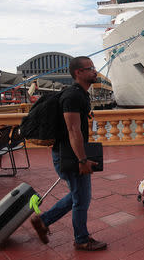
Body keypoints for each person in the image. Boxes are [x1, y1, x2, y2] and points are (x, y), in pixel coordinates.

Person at [30, 56, 107, 251]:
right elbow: (74, 130)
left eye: (94, 67)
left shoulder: (81, 94)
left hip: (69, 153)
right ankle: (81, 239)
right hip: (70, 155)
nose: (94, 71)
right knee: (81, 199)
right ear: (78, 73)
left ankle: (44, 221)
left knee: (79, 196)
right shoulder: (73, 96)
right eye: (90, 68)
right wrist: (82, 160)